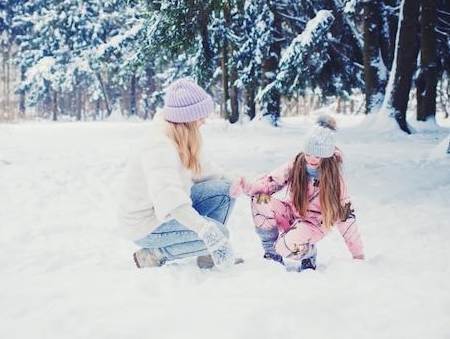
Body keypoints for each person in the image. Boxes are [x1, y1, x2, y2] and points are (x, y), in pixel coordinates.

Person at [117, 77, 238, 270]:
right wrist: (206, 231)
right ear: (187, 118)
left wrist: (245, 186)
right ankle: (154, 254)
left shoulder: (182, 136)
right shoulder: (158, 145)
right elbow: (170, 198)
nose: (204, 121)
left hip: (165, 209)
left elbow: (207, 172)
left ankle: (207, 254)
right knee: (219, 233)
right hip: (146, 224)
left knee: (226, 191)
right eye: (200, 116)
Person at [230, 115, 364, 271]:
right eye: (308, 154)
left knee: (285, 246)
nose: (312, 159)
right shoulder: (297, 165)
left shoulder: (335, 181)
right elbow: (270, 182)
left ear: (327, 155)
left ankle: (309, 253)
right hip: (292, 214)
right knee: (259, 200)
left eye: (317, 156)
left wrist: (358, 254)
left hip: (313, 224)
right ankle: (272, 255)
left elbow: (347, 217)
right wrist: (247, 187)